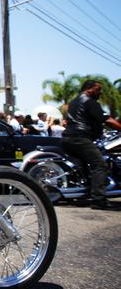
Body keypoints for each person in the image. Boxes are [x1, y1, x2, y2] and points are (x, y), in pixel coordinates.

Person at [62, 80, 121, 210]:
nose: (100, 92)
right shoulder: (90, 102)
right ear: (89, 89)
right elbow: (107, 120)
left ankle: (85, 194)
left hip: (69, 138)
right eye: (98, 89)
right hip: (80, 138)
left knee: (84, 168)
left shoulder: (74, 102)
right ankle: (98, 200)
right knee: (100, 165)